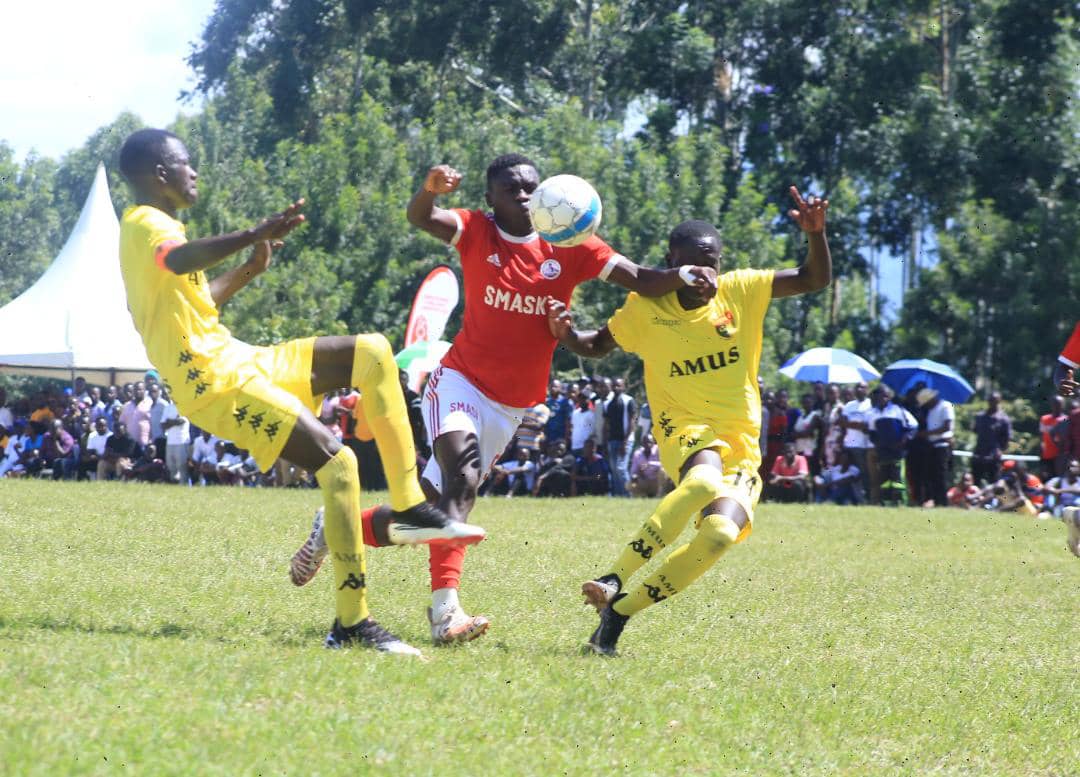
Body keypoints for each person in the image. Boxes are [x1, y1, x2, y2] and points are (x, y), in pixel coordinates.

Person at [288, 153, 719, 644]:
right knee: (463, 480)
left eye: (530, 188)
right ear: (489, 200)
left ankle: (338, 527)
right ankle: (445, 614)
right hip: (459, 382)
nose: (523, 195)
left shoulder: (573, 243)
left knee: (430, 515)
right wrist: (429, 191)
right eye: (511, 189)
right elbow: (421, 217)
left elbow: (641, 278)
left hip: (511, 405)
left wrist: (683, 275)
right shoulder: (476, 230)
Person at [117, 128, 476, 656]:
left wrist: (249, 269)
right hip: (217, 385)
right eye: (185, 163)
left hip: (238, 358)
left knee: (373, 352)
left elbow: (198, 303)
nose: (195, 172)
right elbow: (178, 260)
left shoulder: (162, 226)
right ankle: (352, 623)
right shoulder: (146, 224)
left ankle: (409, 506)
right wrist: (250, 233)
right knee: (341, 465)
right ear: (160, 174)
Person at [549, 187, 831, 655]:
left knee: (719, 535)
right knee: (701, 484)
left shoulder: (741, 290)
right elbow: (597, 345)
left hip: (740, 441)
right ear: (672, 261)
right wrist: (566, 335)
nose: (707, 271)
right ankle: (612, 576)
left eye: (714, 261)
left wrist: (816, 235)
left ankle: (616, 618)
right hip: (684, 428)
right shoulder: (645, 308)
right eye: (697, 261)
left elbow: (811, 278)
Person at [865, 386, 917, 505]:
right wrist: (877, 443)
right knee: (884, 477)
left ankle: (900, 502)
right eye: (879, 395)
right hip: (883, 451)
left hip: (897, 451)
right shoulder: (873, 413)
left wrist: (904, 440)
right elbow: (872, 432)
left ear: (889, 397)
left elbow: (913, 426)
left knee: (897, 477)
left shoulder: (898, 410)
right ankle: (886, 501)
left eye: (885, 395)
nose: (882, 398)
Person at [918, 388, 955, 507]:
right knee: (931, 476)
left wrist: (927, 433)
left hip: (942, 445)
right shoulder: (931, 410)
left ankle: (943, 503)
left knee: (941, 476)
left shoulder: (945, 406)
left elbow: (947, 427)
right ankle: (934, 501)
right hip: (932, 446)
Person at [604, 377, 638, 497]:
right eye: (614, 385)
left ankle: (628, 495)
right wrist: (606, 441)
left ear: (624, 387)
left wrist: (624, 442)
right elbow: (607, 424)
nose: (616, 388)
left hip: (625, 440)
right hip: (612, 440)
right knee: (614, 469)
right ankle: (619, 495)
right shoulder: (608, 403)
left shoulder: (629, 400)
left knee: (621, 468)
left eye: (619, 385)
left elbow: (632, 422)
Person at [840, 381, 873, 502]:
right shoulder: (849, 405)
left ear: (867, 390)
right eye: (857, 387)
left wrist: (851, 424)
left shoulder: (871, 404)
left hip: (864, 445)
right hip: (850, 445)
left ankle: (868, 498)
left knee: (865, 473)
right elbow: (842, 422)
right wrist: (858, 425)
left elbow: (867, 425)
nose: (859, 389)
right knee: (850, 474)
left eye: (862, 387)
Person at [971, 391, 1011, 485]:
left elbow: (1007, 438)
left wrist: (1000, 451)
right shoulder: (980, 416)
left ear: (999, 401)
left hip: (993, 456)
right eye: (991, 400)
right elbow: (975, 430)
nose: (992, 403)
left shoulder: (1004, 419)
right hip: (979, 453)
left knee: (994, 483)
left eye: (995, 401)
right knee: (975, 482)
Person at [1038, 396, 1067, 480]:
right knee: (1045, 479)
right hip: (1046, 455)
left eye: (1059, 404)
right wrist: (1041, 447)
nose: (1057, 406)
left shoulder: (1066, 419)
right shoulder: (1044, 419)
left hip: (1059, 456)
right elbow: (1041, 436)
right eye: (1055, 404)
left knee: (1057, 479)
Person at [628, 433, 664, 498]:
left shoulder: (658, 450)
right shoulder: (638, 454)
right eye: (645, 442)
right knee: (630, 484)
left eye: (650, 442)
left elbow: (664, 465)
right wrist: (635, 475)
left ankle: (660, 495)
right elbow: (633, 471)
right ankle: (641, 496)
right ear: (642, 444)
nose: (648, 444)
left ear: (653, 443)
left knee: (662, 471)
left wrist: (650, 464)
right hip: (645, 480)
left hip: (657, 482)